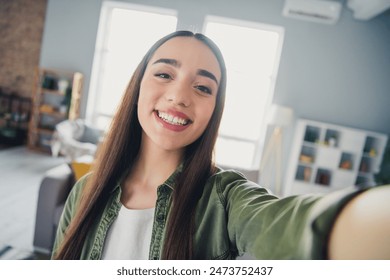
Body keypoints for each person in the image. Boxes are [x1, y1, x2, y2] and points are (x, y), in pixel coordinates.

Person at [52, 30, 390, 260]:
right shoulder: (84, 193)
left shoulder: (225, 197)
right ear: (138, 87)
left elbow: (289, 225)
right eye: (165, 74)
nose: (179, 96)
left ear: (215, 110)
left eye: (202, 87)